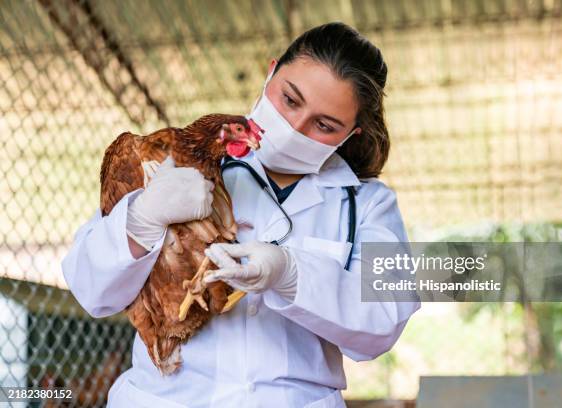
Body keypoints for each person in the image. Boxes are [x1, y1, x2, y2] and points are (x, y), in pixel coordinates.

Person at [62, 22, 420, 408]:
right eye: (290, 99)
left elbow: (384, 321)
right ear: (270, 73)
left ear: (353, 133)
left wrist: (291, 274)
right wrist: (141, 219)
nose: (294, 127)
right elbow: (89, 288)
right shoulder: (173, 163)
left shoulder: (367, 203)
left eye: (324, 125)